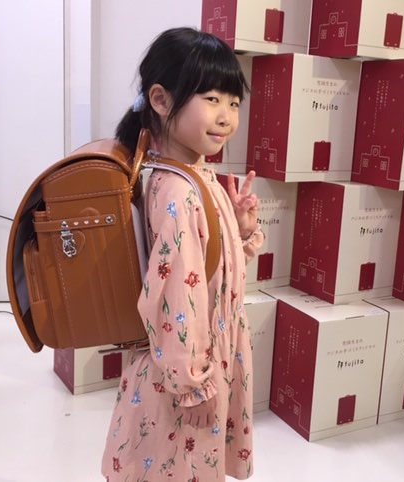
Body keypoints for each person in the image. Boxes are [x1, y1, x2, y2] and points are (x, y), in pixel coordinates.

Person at [101, 27, 264, 481]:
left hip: (186, 363)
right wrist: (193, 385)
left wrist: (237, 229)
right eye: (211, 99)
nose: (226, 116)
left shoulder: (185, 175)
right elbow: (174, 298)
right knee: (182, 465)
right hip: (186, 373)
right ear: (160, 99)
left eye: (234, 102)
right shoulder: (181, 192)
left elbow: (204, 277)